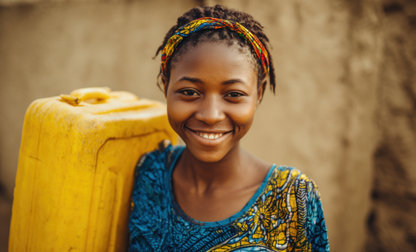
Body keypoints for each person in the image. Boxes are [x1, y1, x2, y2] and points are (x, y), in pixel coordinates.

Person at [129, 5, 329, 251]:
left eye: (234, 94)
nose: (211, 115)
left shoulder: (292, 198)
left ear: (259, 93)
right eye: (190, 92)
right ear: (166, 84)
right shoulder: (148, 174)